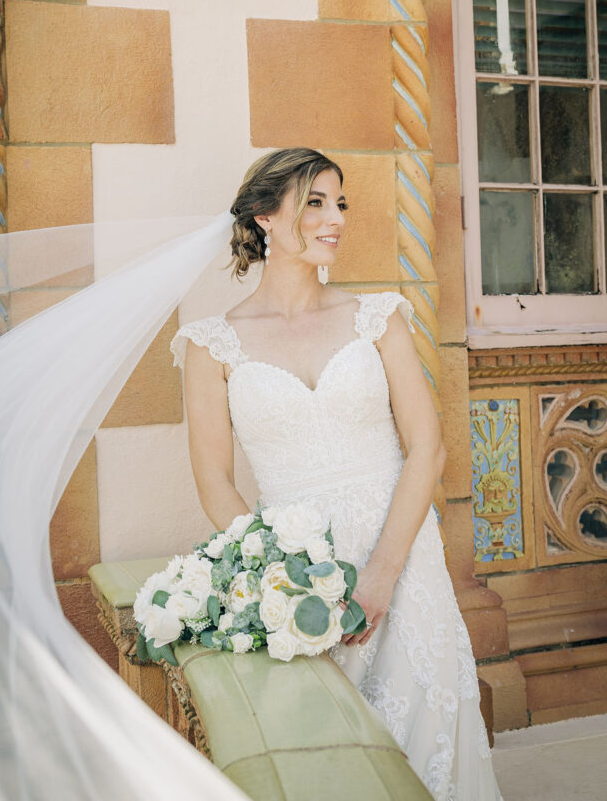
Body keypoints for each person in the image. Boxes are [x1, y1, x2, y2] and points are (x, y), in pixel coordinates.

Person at [172, 147, 504, 801]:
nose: (335, 219)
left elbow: (426, 447)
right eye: (315, 203)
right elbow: (214, 481)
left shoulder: (377, 318)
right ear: (265, 217)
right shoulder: (210, 345)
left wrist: (379, 576)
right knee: (329, 753)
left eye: (340, 203)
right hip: (301, 571)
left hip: (401, 555)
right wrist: (290, 579)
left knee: (426, 733)